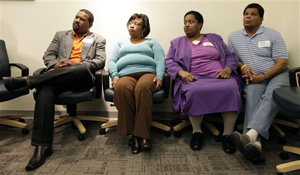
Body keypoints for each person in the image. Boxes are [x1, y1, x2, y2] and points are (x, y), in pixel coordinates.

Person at [3, 9, 106, 170]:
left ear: (90, 24)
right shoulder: (60, 35)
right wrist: (56, 65)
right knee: (44, 89)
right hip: (57, 76)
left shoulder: (97, 39)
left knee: (81, 67)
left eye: (82, 19)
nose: (77, 20)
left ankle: (28, 81)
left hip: (81, 78)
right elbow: (48, 55)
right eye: (76, 17)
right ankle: (42, 147)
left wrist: (74, 64)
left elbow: (100, 61)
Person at [166, 11, 242, 154]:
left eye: (191, 21)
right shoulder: (177, 42)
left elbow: (231, 55)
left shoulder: (215, 38)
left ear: (200, 25)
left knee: (232, 88)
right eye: (185, 22)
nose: (186, 25)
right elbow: (169, 61)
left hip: (219, 77)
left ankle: (227, 134)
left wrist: (227, 68)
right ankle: (197, 132)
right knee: (195, 91)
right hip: (194, 78)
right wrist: (181, 73)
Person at [228, 3, 289, 164]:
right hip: (253, 78)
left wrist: (263, 76)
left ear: (261, 19)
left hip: (277, 74)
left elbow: (282, 62)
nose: (248, 16)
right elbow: (233, 59)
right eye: (246, 13)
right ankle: (256, 144)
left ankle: (250, 135)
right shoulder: (234, 37)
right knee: (253, 94)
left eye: (253, 14)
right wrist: (244, 66)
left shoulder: (273, 35)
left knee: (273, 93)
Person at [108, 13, 165, 154]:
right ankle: (132, 135)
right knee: (121, 87)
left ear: (144, 28)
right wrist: (114, 76)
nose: (132, 25)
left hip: (147, 73)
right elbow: (112, 61)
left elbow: (160, 60)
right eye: (130, 22)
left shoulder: (152, 42)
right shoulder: (120, 43)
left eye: (137, 23)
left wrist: (159, 77)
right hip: (125, 74)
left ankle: (143, 135)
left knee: (143, 88)